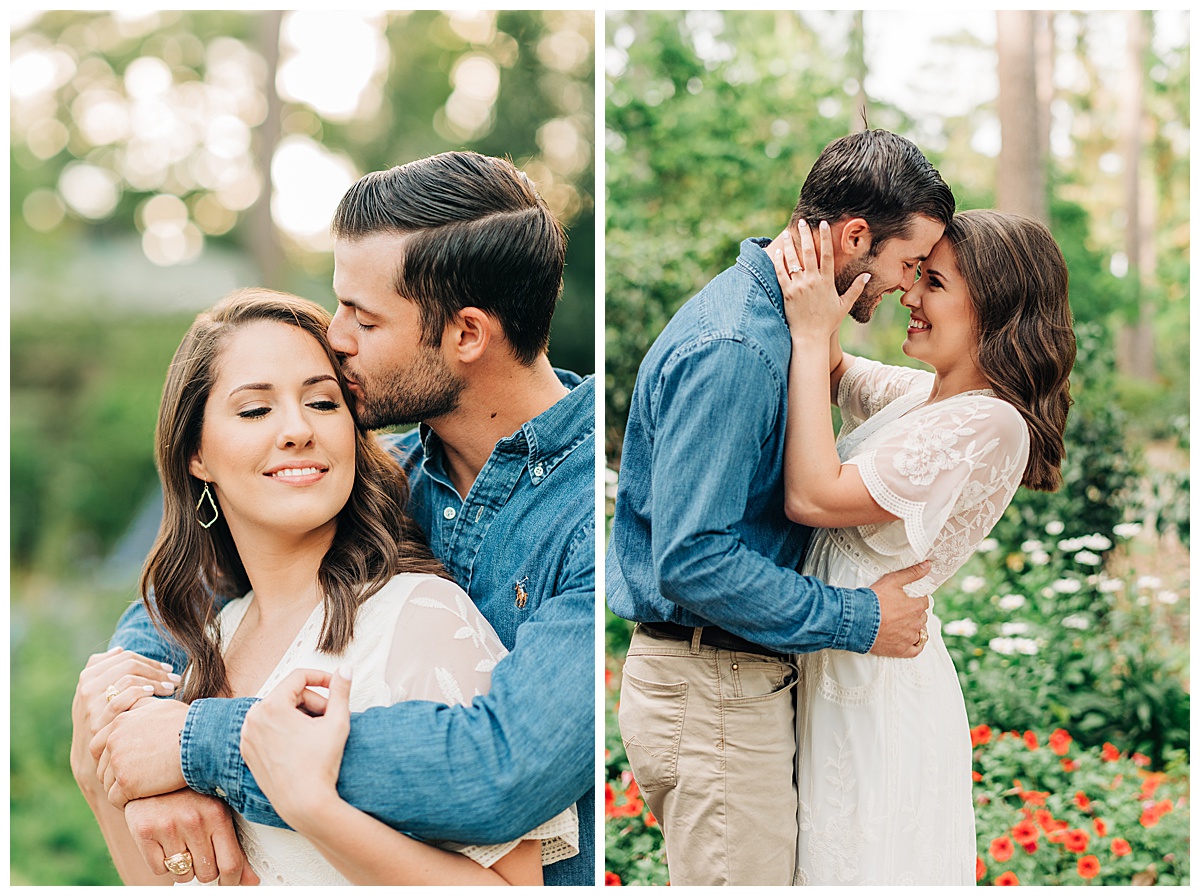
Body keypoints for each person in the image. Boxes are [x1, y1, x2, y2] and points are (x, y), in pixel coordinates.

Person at [77, 152, 595, 886]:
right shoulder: (380, 471)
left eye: (365, 315)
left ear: (467, 335)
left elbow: (502, 768)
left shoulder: (588, 519)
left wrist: (195, 745)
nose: (338, 334)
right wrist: (127, 715)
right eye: (338, 302)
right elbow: (197, 585)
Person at [606, 129, 956, 886]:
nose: (905, 287)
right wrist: (862, 617)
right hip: (712, 693)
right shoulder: (738, 346)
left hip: (730, 686)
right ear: (855, 237)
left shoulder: (779, 330)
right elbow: (693, 558)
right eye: (906, 264)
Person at [772, 209, 1074, 883]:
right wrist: (820, 278)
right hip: (838, 661)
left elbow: (815, 496)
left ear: (993, 307)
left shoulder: (989, 423)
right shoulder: (922, 397)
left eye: (931, 281)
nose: (908, 296)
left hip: (874, 692)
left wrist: (812, 328)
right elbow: (829, 367)